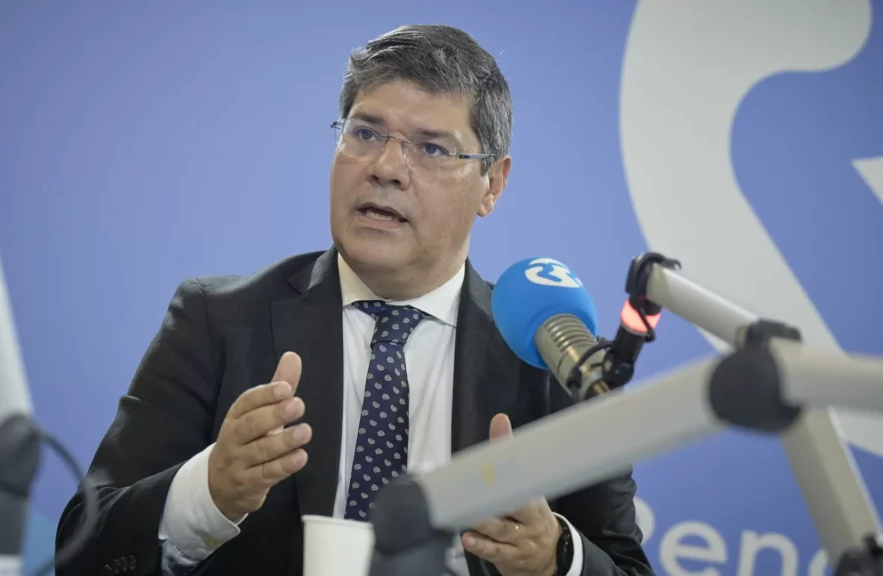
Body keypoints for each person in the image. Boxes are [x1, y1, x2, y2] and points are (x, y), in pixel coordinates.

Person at [56, 24, 654, 576]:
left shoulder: (559, 361)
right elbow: (80, 549)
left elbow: (627, 566)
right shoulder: (217, 321)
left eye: (431, 148)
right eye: (365, 133)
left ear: (491, 183)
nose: (386, 167)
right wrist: (207, 493)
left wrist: (555, 557)